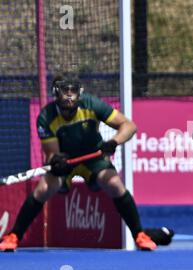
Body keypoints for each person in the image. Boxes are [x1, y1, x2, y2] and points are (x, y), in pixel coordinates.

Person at [0, 74, 168, 251]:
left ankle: (139, 235)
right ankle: (14, 236)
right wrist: (56, 162)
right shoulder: (46, 116)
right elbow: (51, 154)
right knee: (43, 189)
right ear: (56, 94)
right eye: (65, 91)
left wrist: (113, 142)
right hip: (65, 162)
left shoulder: (91, 104)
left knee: (114, 183)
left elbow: (129, 126)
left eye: (73, 90)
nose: (70, 95)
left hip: (93, 158)